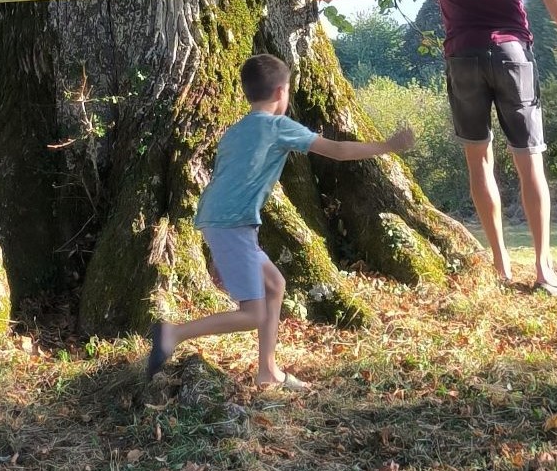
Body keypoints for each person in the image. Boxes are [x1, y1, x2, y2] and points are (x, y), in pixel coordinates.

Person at [313, 0, 557, 296]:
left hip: (463, 58)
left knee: (479, 161)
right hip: (513, 56)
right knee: (529, 160)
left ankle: (501, 266)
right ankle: (542, 267)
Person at [147, 54, 414, 389]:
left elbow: (227, 179)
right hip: (231, 224)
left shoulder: (235, 131)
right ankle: (173, 333)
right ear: (280, 92)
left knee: (274, 285)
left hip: (224, 221)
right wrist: (387, 145)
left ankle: (268, 371)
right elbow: (337, 151)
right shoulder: (277, 127)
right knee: (253, 313)